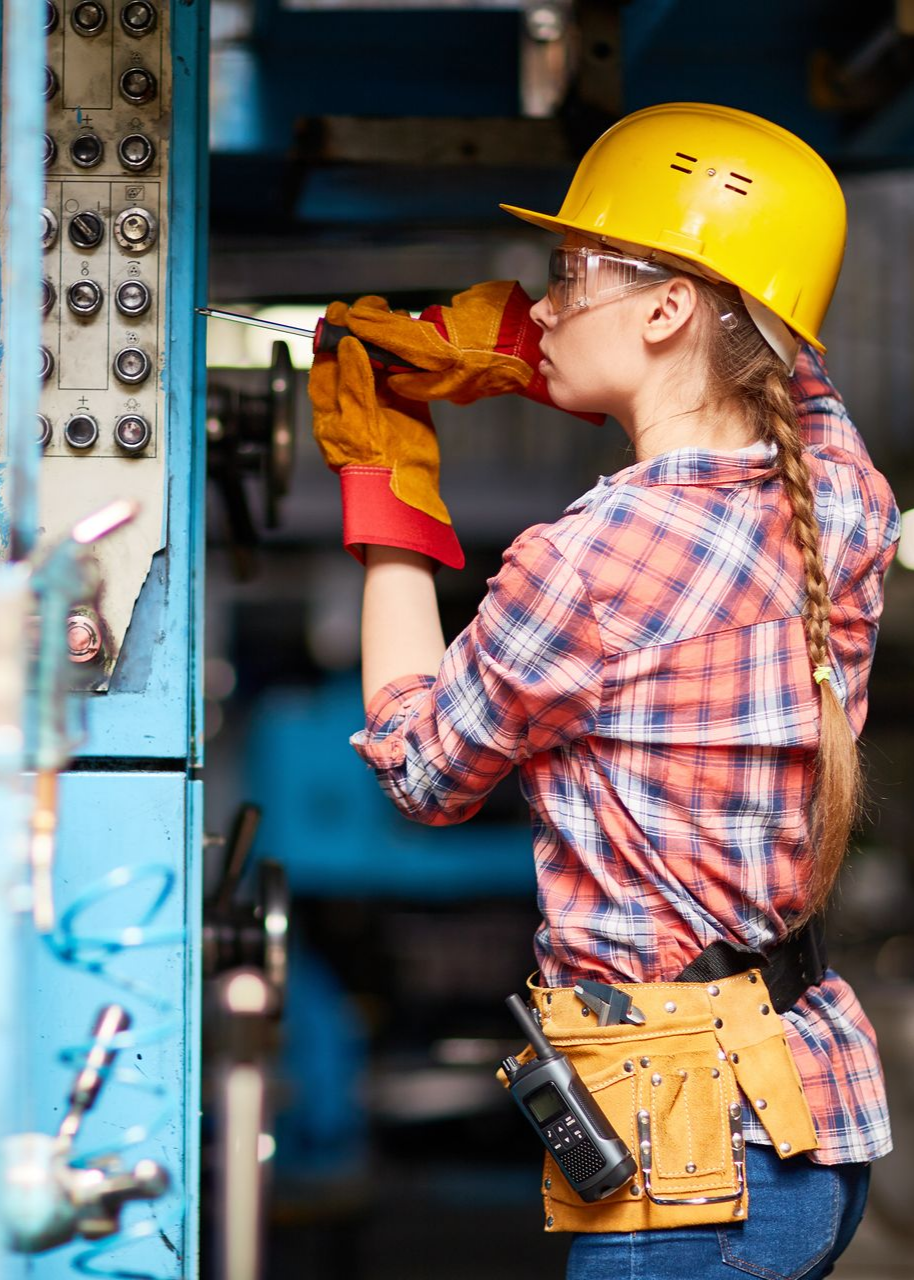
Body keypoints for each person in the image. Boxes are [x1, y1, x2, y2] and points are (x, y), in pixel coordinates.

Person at [308, 102, 898, 1279]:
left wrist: (385, 483)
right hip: (809, 1115)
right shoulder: (839, 487)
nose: (545, 302)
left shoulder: (593, 556)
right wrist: (554, 349)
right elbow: (784, 374)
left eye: (570, 272)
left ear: (672, 307)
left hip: (685, 1154)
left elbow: (424, 770)